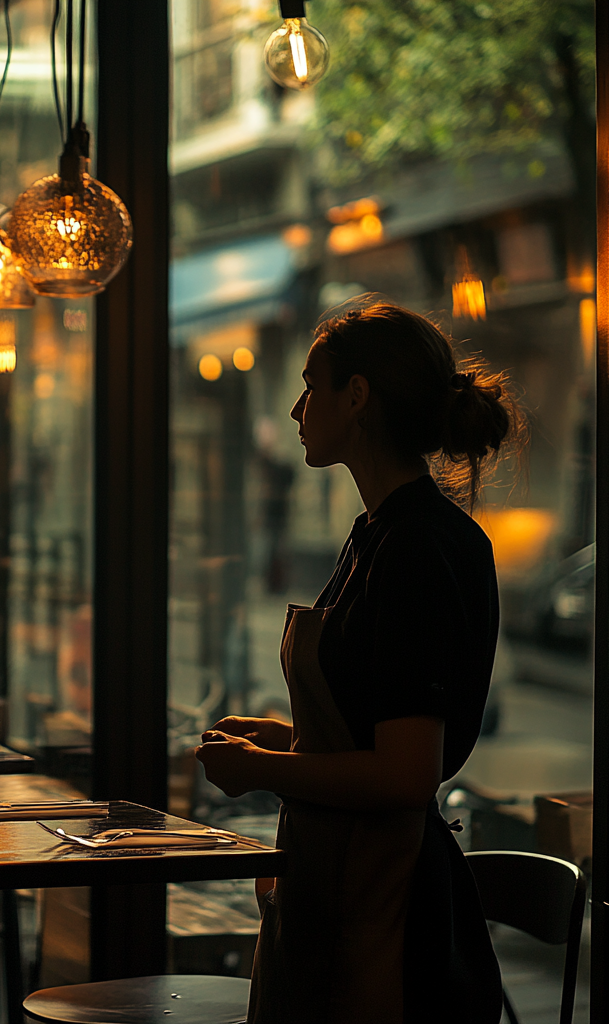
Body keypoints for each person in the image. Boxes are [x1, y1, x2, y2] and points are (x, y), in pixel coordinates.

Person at [196, 301, 524, 1024]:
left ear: (357, 396)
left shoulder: (419, 549)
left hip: (387, 917)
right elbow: (371, 735)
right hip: (334, 883)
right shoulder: (376, 534)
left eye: (311, 385)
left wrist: (260, 771)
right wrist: (283, 739)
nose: (294, 408)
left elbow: (405, 774)